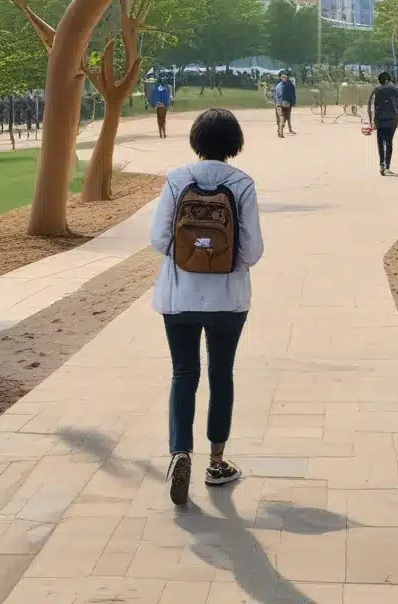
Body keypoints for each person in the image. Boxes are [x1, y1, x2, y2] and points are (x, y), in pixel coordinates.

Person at [149, 108, 264, 506]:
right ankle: (216, 462)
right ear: (235, 143)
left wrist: (189, 251)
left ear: (196, 140)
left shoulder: (177, 179)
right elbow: (252, 251)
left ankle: (180, 451)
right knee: (221, 373)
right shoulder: (243, 183)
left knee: (183, 373)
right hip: (228, 300)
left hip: (178, 296)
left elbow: (158, 238)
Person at [368, 71, 398, 175]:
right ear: (388, 79)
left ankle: (381, 164)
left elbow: (371, 105)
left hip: (380, 120)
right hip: (392, 119)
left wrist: (371, 120)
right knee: (389, 142)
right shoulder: (395, 89)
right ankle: (387, 166)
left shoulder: (376, 90)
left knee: (380, 142)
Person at [273, 71, 297, 137]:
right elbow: (276, 96)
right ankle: (281, 131)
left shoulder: (287, 85)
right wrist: (277, 103)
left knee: (284, 118)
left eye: (284, 77)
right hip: (282, 104)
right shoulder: (281, 85)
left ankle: (281, 130)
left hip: (284, 104)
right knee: (283, 118)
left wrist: (293, 103)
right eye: (283, 77)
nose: (284, 78)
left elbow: (293, 95)